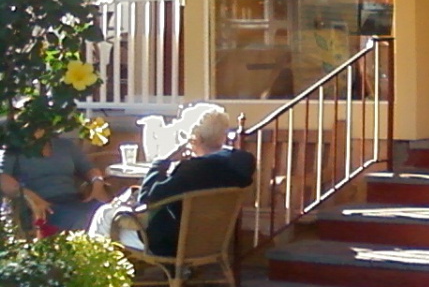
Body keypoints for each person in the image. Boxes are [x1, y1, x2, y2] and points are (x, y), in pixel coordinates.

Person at [90, 103, 255, 256]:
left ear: (193, 139)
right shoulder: (239, 165)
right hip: (213, 242)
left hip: (170, 245)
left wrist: (162, 161)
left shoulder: (190, 171)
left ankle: (96, 276)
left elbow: (147, 199)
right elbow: (230, 156)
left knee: (104, 214)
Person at [0, 132, 107, 233]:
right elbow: (3, 178)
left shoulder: (65, 145)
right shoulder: (12, 149)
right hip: (41, 206)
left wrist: (97, 182)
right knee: (85, 219)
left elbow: (88, 168)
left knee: (109, 213)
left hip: (73, 200)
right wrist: (30, 196)